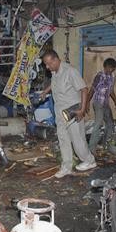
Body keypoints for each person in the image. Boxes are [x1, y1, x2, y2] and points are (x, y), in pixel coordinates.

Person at [40, 50, 96, 178]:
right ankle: (66, 167)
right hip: (60, 112)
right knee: (63, 139)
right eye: (46, 65)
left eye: (48, 64)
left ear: (55, 60)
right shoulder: (55, 71)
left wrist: (82, 110)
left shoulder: (70, 71)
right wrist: (45, 91)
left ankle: (89, 160)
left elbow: (84, 89)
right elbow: (54, 84)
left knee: (77, 140)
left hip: (73, 111)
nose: (47, 67)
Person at [86, 58, 116, 153]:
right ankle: (91, 150)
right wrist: (87, 103)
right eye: (108, 68)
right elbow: (92, 90)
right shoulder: (99, 76)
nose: (109, 70)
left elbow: (111, 91)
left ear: (113, 68)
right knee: (98, 124)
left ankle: (105, 145)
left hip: (105, 104)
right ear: (105, 67)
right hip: (98, 103)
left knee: (110, 124)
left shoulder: (113, 77)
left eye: (111, 68)